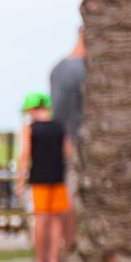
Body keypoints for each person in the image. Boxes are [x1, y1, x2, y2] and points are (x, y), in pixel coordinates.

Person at [16, 93, 68, 262]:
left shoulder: (29, 128)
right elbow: (68, 151)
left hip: (39, 178)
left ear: (31, 109)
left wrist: (19, 181)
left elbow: (24, 155)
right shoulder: (60, 126)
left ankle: (39, 260)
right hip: (59, 178)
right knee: (56, 220)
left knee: (40, 219)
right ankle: (53, 260)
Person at [49, 29, 85, 248]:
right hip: (76, 145)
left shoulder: (59, 68)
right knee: (71, 201)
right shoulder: (70, 69)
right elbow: (60, 112)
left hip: (76, 144)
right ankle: (71, 249)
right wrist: (68, 142)